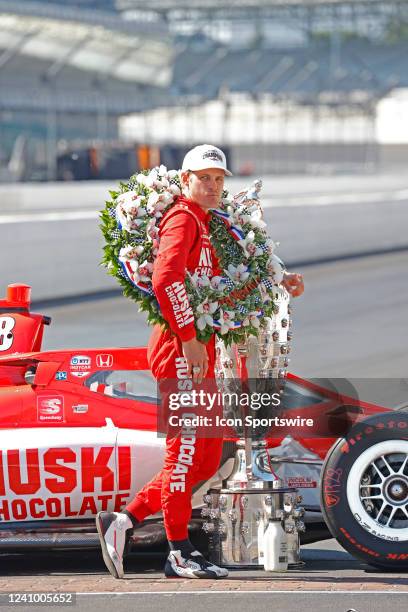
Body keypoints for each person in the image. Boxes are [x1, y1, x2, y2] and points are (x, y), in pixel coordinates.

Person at [96, 144, 304, 580]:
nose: (212, 186)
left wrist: (283, 278)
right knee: (184, 454)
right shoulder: (182, 219)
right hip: (181, 349)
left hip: (201, 350)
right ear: (186, 180)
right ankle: (177, 551)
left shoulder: (210, 223)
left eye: (219, 179)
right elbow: (166, 277)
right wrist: (189, 339)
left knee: (207, 460)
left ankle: (125, 520)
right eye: (203, 178)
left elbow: (251, 257)